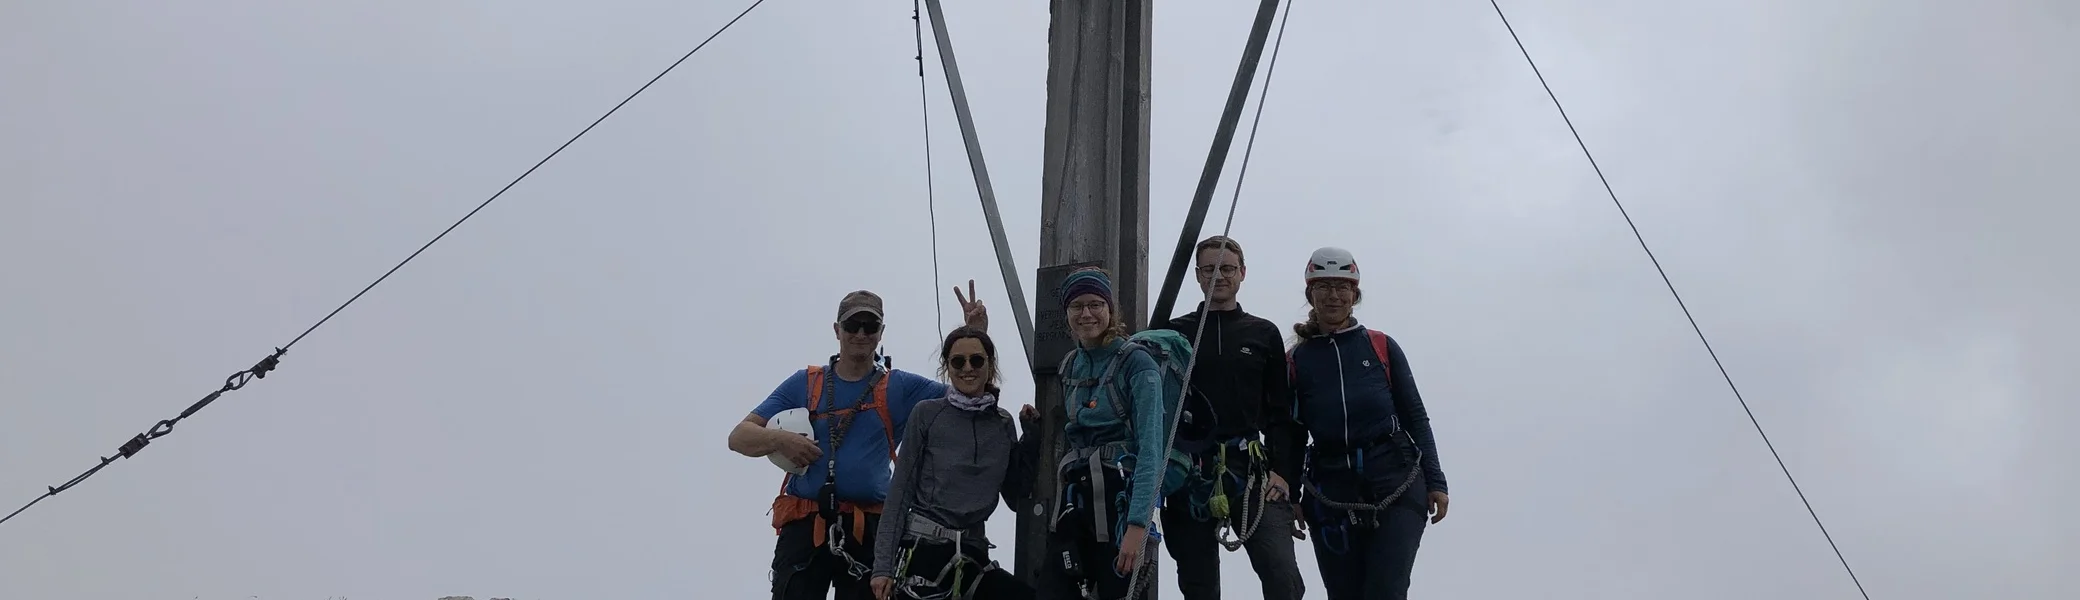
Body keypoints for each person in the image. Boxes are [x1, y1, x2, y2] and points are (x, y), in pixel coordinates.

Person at [728, 284, 989, 600]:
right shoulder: (806, 383)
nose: (861, 333)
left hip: (870, 531)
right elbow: (739, 437)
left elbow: (967, 395)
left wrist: (976, 335)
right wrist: (781, 440)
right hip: (806, 526)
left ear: (881, 333)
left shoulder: (899, 386)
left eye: (870, 325)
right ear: (837, 330)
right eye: (853, 325)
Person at [1285, 247, 1450, 600]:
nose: (1333, 295)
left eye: (1342, 287)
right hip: (1329, 488)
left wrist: (1436, 480)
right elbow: (1293, 433)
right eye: (1324, 286)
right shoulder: (1297, 360)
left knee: (1386, 589)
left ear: (1354, 295)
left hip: (1395, 478)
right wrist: (1293, 496)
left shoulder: (1380, 346)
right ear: (1310, 294)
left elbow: (1415, 415)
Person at [1155, 235, 1307, 600]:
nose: (1218, 276)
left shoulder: (1263, 333)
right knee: (1198, 585)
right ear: (1197, 275)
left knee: (1283, 576)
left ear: (1242, 273)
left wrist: (1285, 474)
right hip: (1189, 470)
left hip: (1250, 469)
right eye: (1209, 269)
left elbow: (1281, 412)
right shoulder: (1175, 333)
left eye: (1227, 268)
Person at [1026, 266, 1189, 600]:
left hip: (1120, 500)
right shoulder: (1070, 365)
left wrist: (1138, 525)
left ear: (1110, 309)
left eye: (1095, 304)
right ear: (1067, 313)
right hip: (1076, 500)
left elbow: (1151, 448)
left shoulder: (1137, 363)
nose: (1086, 314)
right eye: (1077, 306)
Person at [866, 326, 1038, 600]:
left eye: (977, 360)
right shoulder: (927, 414)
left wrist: (1031, 436)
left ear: (990, 365)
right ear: (947, 367)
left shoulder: (1002, 423)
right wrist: (882, 568)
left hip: (973, 554)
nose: (968, 368)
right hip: (924, 551)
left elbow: (1016, 497)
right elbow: (899, 492)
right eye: (958, 361)